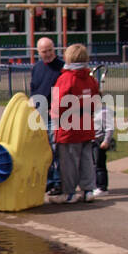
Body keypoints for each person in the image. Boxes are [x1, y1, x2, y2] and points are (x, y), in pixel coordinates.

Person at [50, 43, 100, 203]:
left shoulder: (65, 78)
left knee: (69, 162)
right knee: (86, 159)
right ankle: (88, 190)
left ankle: (69, 193)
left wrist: (54, 115)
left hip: (68, 126)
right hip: (86, 123)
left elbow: (58, 103)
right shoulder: (90, 79)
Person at [29, 37, 65, 196]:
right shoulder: (36, 68)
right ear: (39, 52)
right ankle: (48, 180)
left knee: (55, 149)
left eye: (50, 50)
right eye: (45, 51)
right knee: (43, 150)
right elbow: (34, 88)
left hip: (55, 115)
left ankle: (57, 182)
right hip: (39, 114)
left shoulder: (61, 67)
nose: (49, 54)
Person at [92, 98, 115, 197]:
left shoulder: (103, 112)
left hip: (99, 141)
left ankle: (102, 187)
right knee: (92, 164)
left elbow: (109, 128)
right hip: (91, 140)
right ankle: (95, 185)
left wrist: (106, 141)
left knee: (99, 164)